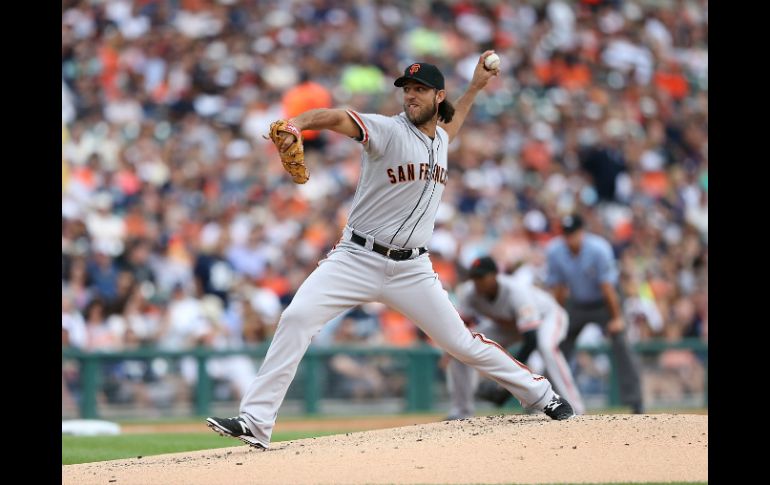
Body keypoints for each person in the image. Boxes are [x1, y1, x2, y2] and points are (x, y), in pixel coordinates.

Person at [206, 53, 575, 450]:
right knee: (296, 318)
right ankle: (255, 421)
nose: (411, 96)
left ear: (438, 97)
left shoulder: (442, 138)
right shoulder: (387, 131)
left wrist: (475, 88)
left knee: (461, 344)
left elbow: (455, 122)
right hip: (356, 257)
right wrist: (297, 124)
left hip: (412, 269)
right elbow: (336, 117)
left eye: (420, 90)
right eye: (407, 90)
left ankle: (542, 395)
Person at [446, 256, 585, 419]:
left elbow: (530, 341)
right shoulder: (470, 292)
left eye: (481, 277)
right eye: (474, 277)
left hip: (547, 316)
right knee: (460, 348)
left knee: (546, 347)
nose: (477, 282)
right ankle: (461, 412)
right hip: (510, 326)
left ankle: (577, 408)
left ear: (494, 275)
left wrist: (506, 388)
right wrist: (448, 351)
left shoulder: (515, 291)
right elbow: (463, 325)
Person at [545, 213, 644, 413]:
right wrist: (558, 319)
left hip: (605, 303)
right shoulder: (555, 250)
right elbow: (558, 289)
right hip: (577, 304)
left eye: (573, 233)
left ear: (582, 232)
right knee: (554, 344)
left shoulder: (598, 248)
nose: (569, 237)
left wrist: (616, 318)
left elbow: (608, 288)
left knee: (621, 343)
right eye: (566, 233)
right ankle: (547, 400)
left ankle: (635, 402)